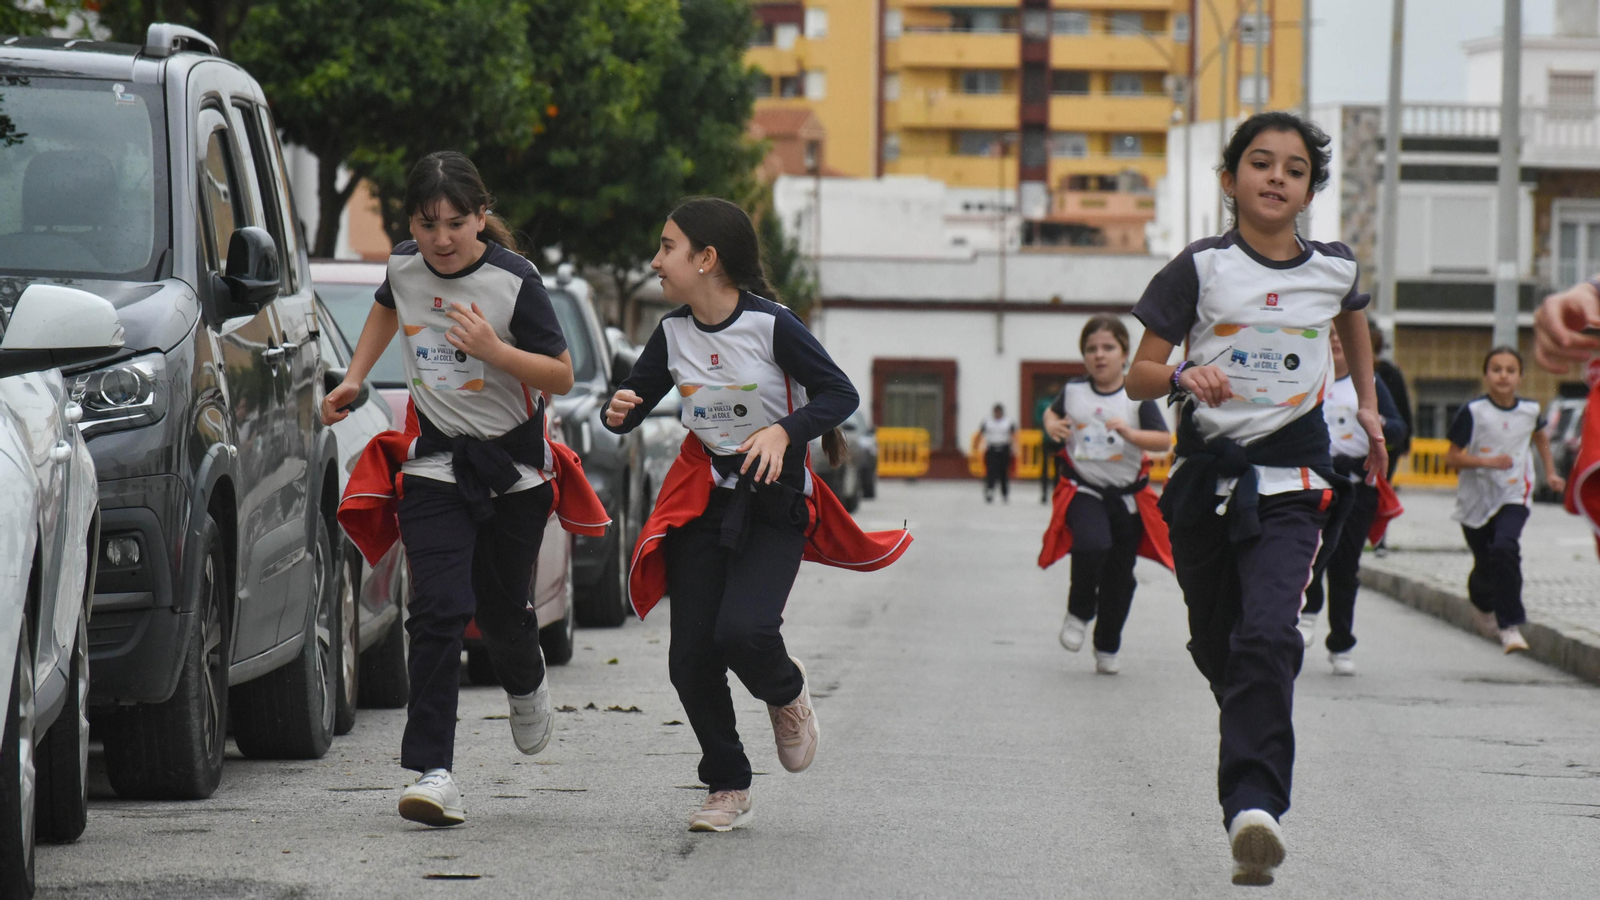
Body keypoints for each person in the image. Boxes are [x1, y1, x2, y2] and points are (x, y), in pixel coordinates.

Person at [1125, 111, 1385, 886]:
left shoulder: (1334, 267)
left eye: (1295, 168)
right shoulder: (1199, 268)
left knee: (1269, 636)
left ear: (1310, 189)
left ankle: (1253, 809)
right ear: (1231, 178)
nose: (1277, 177)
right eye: (1262, 163)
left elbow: (1356, 324)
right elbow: (1136, 373)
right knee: (1220, 647)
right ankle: (1249, 741)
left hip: (1295, 484)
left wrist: (1366, 406)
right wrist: (1179, 376)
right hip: (1206, 481)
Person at [603, 198, 912, 833]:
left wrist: (782, 433)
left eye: (667, 248)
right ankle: (727, 783)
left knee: (743, 631)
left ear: (706, 259)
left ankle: (786, 691)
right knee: (689, 657)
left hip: (774, 508)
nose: (655, 261)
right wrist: (620, 410)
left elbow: (840, 394)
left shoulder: (773, 326)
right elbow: (638, 402)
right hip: (703, 507)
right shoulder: (671, 333)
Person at [322, 152, 584, 827]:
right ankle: (432, 771)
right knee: (438, 610)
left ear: (481, 218)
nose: (441, 239)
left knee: (500, 616)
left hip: (515, 474)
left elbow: (561, 376)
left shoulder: (513, 281)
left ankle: (525, 682)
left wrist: (496, 352)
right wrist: (356, 377)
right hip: (435, 464)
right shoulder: (406, 266)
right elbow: (387, 307)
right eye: (426, 222)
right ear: (410, 222)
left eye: (457, 223)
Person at [1038, 315, 1173, 674]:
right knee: (1091, 544)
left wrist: (1130, 434)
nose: (1099, 356)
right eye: (1091, 349)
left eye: (1108, 348)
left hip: (1127, 498)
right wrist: (1053, 425)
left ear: (1125, 353)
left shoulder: (1136, 396)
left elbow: (1163, 441)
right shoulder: (1074, 391)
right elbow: (1050, 416)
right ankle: (1079, 610)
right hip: (1085, 489)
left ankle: (1107, 644)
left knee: (1120, 578)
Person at [1299, 329, 1408, 674]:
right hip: (1314, 483)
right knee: (1310, 550)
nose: (1335, 339)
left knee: (1345, 564)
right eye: (1328, 333)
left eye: (1340, 333)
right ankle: (1307, 611)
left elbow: (1398, 429)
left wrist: (1378, 425)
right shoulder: (1308, 375)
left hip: (1358, 487)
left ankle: (1342, 642)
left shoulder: (1370, 383)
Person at [1443, 347, 1564, 654]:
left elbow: (1540, 438)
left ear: (1520, 377)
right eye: (1496, 369)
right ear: (1486, 375)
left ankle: (1510, 625)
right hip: (1476, 500)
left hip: (1514, 494)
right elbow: (1452, 458)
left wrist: (1550, 473)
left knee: (1505, 548)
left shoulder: (1530, 411)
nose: (1503, 376)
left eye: (1510, 370)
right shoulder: (1473, 412)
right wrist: (1487, 462)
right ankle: (1483, 606)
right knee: (1485, 562)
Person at [976, 403, 1019, 503]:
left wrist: (1014, 448)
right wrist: (977, 446)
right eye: (996, 412)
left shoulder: (1008, 422)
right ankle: (990, 490)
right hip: (992, 448)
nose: (997, 414)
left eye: (999, 412)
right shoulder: (987, 421)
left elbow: (1013, 435)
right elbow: (981, 433)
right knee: (991, 471)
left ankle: (1004, 493)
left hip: (1004, 448)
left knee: (1004, 471)